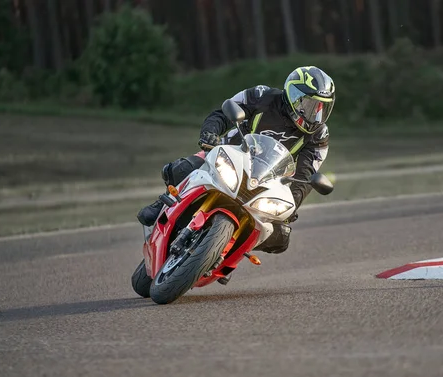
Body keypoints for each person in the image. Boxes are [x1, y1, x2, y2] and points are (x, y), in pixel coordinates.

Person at [137, 66, 335, 255]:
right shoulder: (261, 95)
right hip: (228, 156)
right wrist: (210, 134)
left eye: (322, 109)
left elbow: (305, 174)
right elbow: (223, 113)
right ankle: (164, 203)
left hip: (267, 179)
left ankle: (227, 250)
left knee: (280, 238)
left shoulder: (319, 135)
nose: (316, 115)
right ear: (294, 96)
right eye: (310, 106)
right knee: (183, 168)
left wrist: (292, 205)